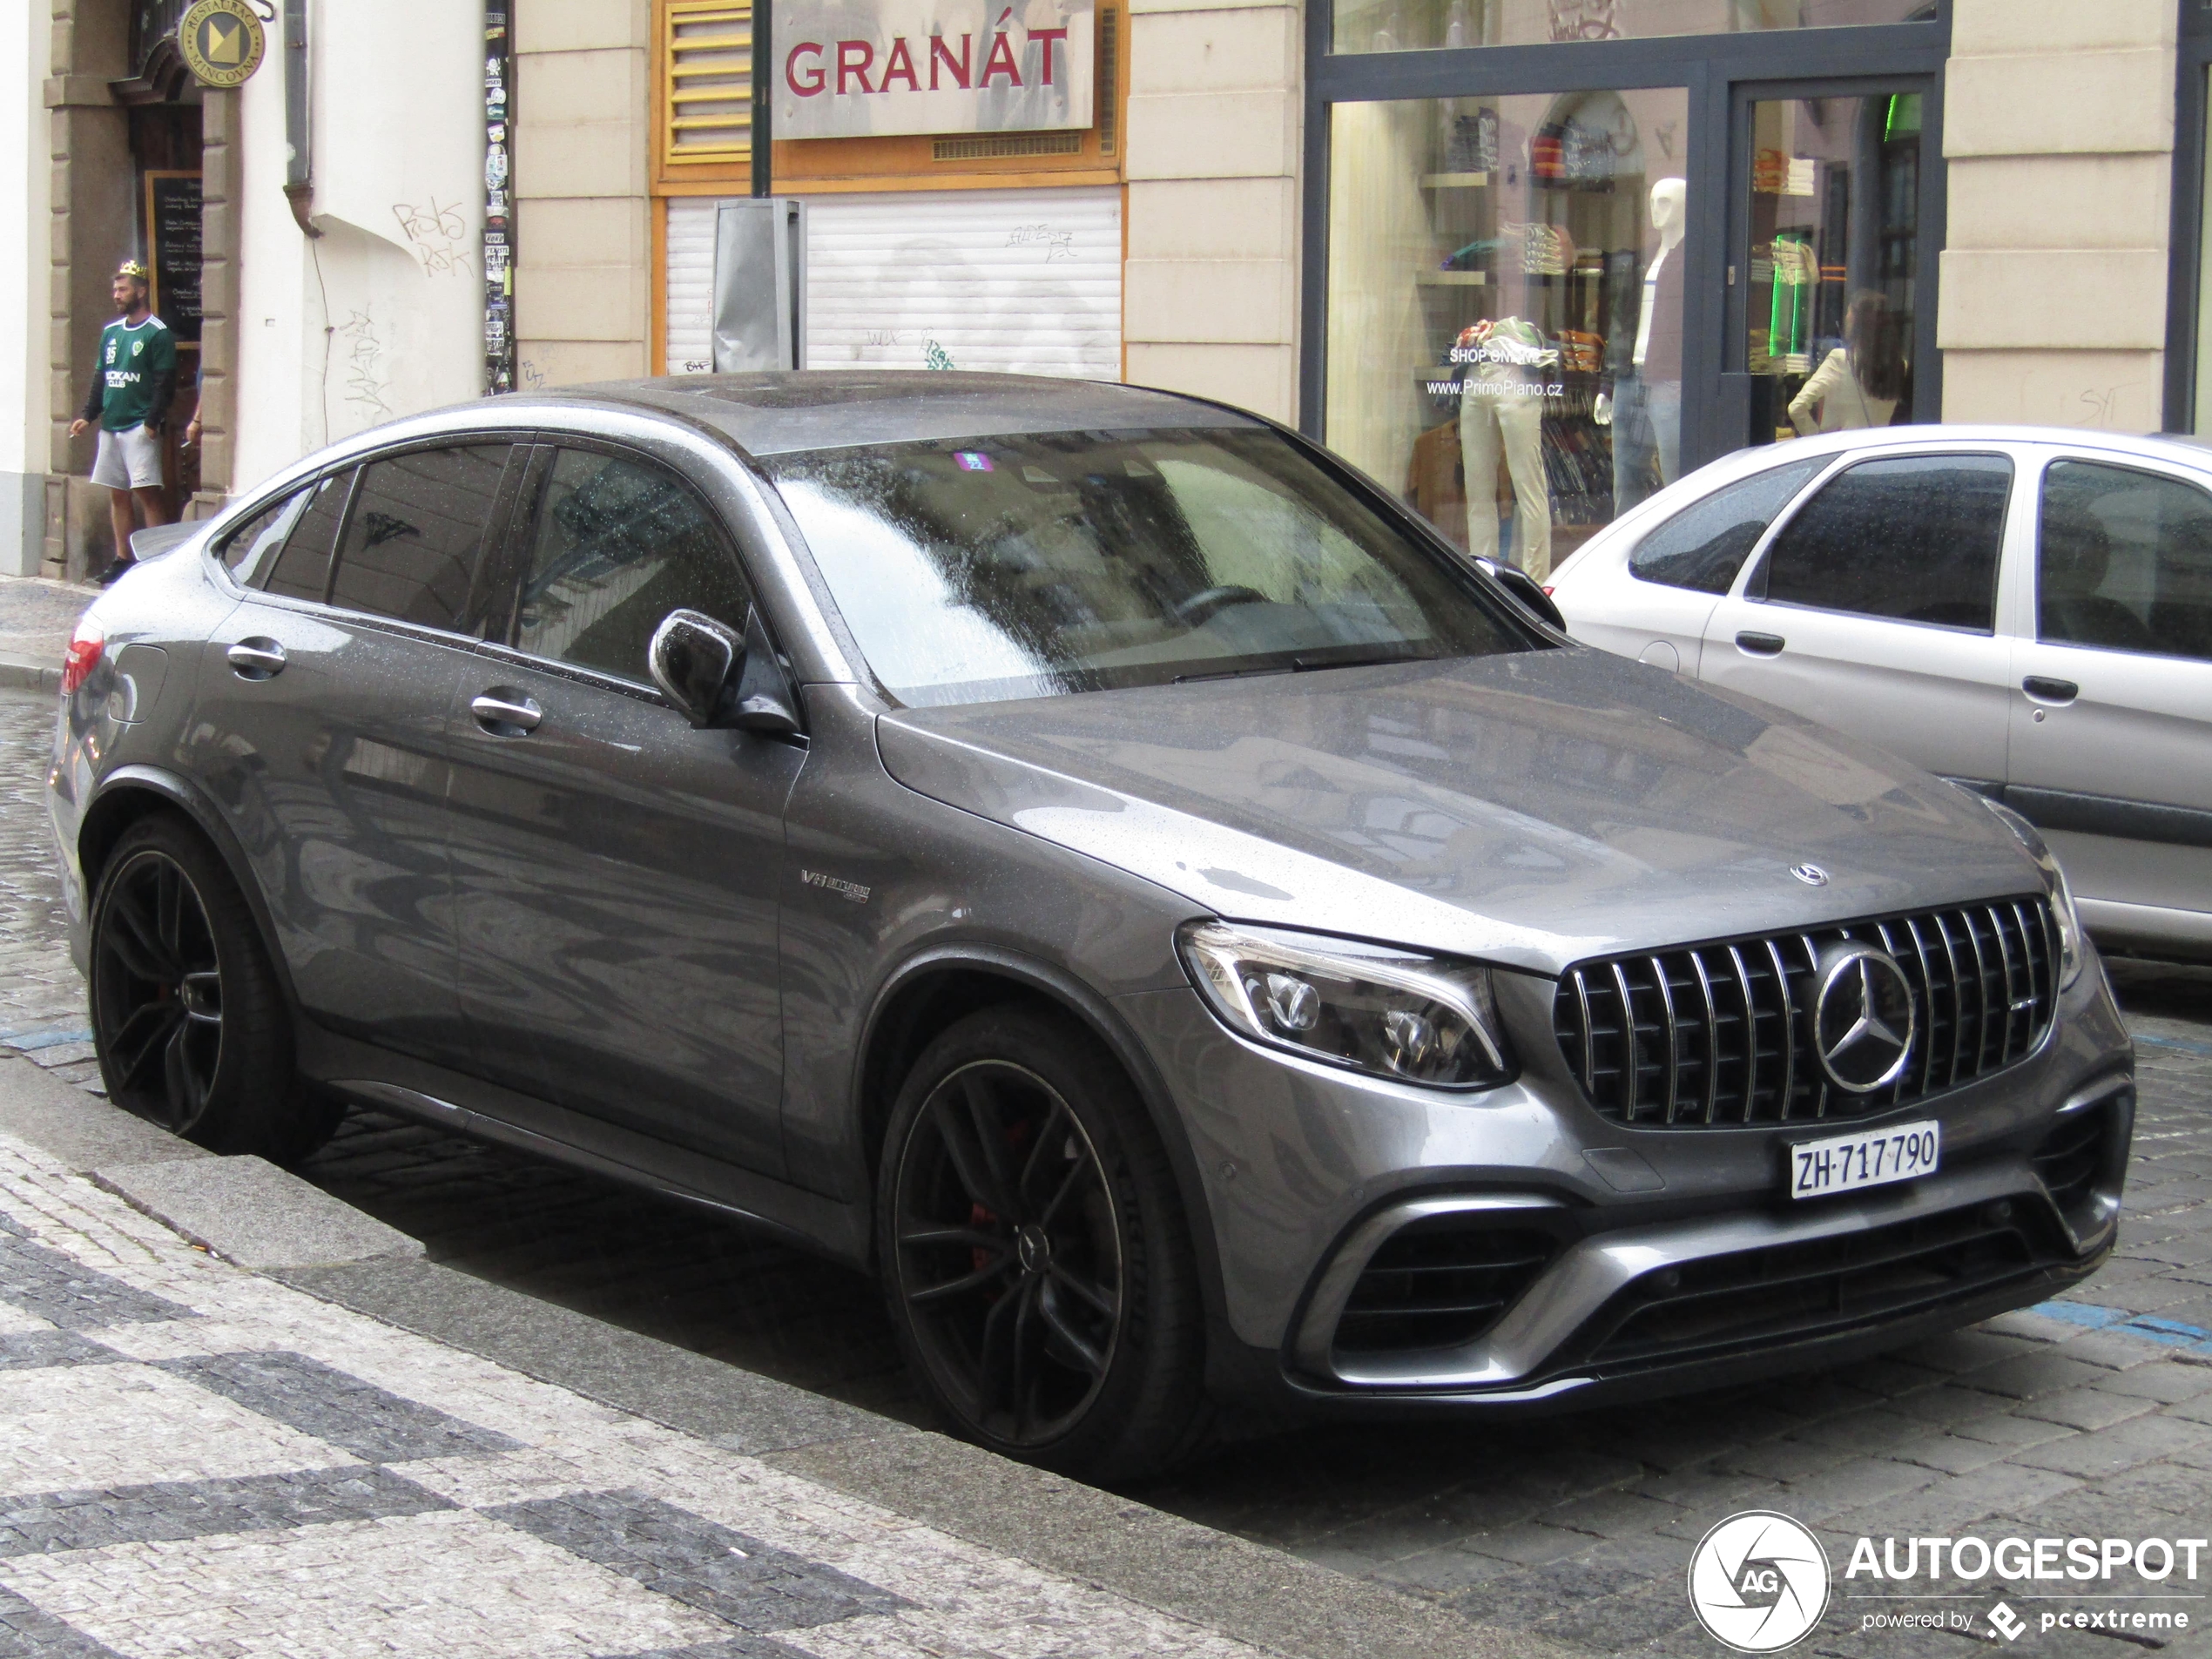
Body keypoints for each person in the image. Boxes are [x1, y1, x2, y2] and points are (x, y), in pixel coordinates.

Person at [65, 260, 178, 584]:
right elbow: (102, 376)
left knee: (147, 493)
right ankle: (123, 558)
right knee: (117, 493)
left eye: (123, 289)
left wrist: (152, 421)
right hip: (112, 425)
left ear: (141, 291)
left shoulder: (157, 333)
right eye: (115, 289)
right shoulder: (111, 333)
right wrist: (88, 415)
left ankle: (159, 562)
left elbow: (165, 380)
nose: (117, 295)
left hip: (139, 425)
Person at [1789, 290, 1906, 436]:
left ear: (1858, 321)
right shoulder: (1900, 366)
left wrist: (1817, 440)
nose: (1846, 317)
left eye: (1849, 312)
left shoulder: (1840, 359)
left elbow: (1797, 407)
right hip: (1875, 450)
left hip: (1841, 449)